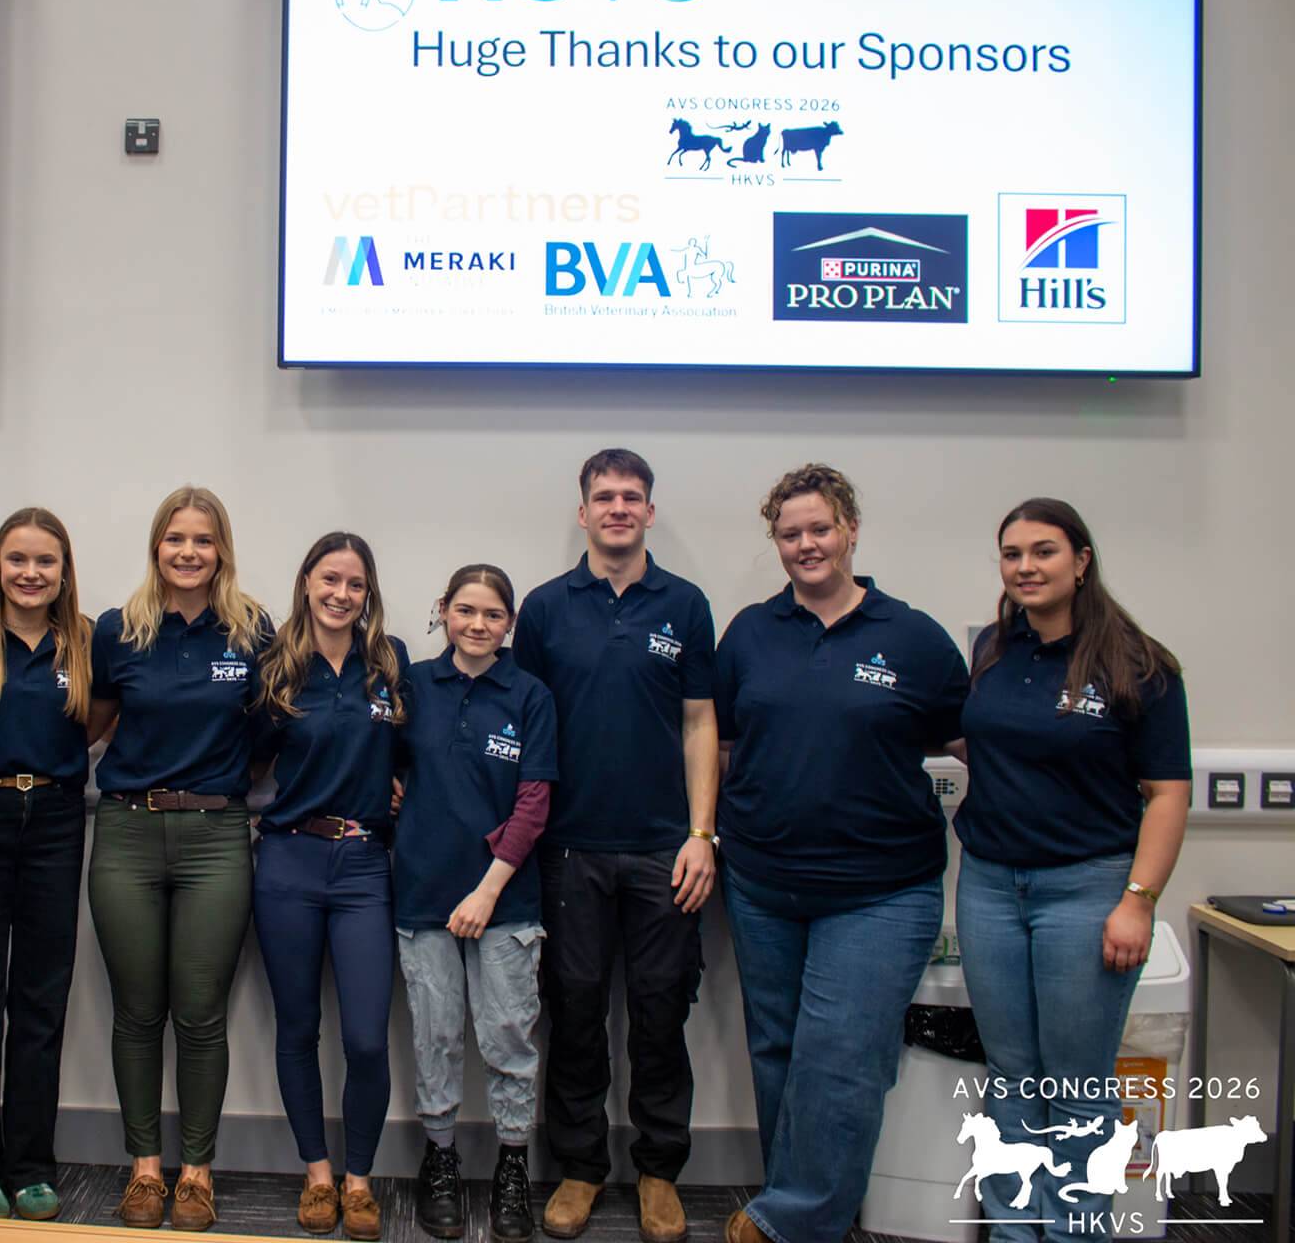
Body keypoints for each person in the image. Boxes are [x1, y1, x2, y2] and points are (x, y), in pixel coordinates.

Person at [713, 465, 968, 1243]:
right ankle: (801, 1201)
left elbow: (976, 744)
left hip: (880, 891)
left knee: (841, 1058)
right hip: (762, 881)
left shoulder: (911, 637)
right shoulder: (751, 632)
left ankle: (796, 1221)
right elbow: (722, 744)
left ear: (851, 529)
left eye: (819, 529)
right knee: (778, 1048)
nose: (806, 545)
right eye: (790, 534)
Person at [952, 498, 1191, 1243]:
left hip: (1086, 891)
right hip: (991, 884)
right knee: (1012, 1082)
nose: (1026, 566)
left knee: (1078, 1090)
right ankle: (1017, 1233)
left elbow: (1166, 793)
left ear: (1081, 560)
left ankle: (1071, 1234)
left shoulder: (1139, 664)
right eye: (1012, 553)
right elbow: (982, 745)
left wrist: (1138, 902)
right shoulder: (992, 648)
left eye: (1044, 551)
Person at [513, 448, 719, 1243]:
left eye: (632, 496)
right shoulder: (544, 608)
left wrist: (703, 834)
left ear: (650, 512)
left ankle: (659, 1171)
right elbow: (521, 723)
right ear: (583, 512)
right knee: (574, 1013)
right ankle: (581, 1167)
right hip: (567, 851)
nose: (618, 508)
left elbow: (702, 724)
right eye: (604, 497)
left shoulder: (688, 604)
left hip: (667, 850)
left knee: (662, 1013)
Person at [85, 485, 269, 1232]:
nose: (189, 552)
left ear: (221, 548)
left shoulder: (252, 630)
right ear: (156, 547)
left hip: (217, 838)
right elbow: (93, 727)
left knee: (200, 1015)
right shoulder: (116, 630)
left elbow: (266, 741)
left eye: (203, 539)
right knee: (137, 1012)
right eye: (175, 539)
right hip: (127, 832)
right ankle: (143, 1169)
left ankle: (195, 1172)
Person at [251, 533, 408, 1241]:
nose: (342, 594)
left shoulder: (388, 664)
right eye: (330, 579)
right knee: (298, 1027)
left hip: (364, 867)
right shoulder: (277, 665)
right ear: (307, 582)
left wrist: (401, 786)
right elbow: (244, 757)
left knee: (367, 1039)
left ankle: (360, 1180)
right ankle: (318, 1177)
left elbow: (413, 753)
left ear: (367, 592)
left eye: (355, 583)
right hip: (288, 860)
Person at [394, 565, 557, 1243]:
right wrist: (391, 785)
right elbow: (385, 760)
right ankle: (440, 1160)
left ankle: (513, 1167)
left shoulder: (530, 695)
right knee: (434, 1035)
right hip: (426, 891)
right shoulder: (413, 689)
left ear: (509, 624)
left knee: (508, 1037)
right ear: (444, 612)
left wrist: (488, 891)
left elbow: (534, 802)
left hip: (506, 900)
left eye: (493, 614)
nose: (478, 624)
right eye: (465, 610)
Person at [0, 508, 93, 1221]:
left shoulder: (86, 643)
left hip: (58, 822)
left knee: (40, 1001)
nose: (31, 574)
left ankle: (32, 1165)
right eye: (17, 559)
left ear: (65, 570)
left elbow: (102, 720)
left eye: (46, 561)